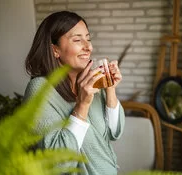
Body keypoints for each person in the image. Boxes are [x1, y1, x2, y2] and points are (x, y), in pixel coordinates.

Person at [23, 11, 125, 175]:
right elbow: (57, 162)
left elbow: (114, 132)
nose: (88, 47)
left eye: (88, 39)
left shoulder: (89, 81)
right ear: (55, 50)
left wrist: (110, 88)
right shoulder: (39, 89)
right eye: (78, 40)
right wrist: (83, 104)